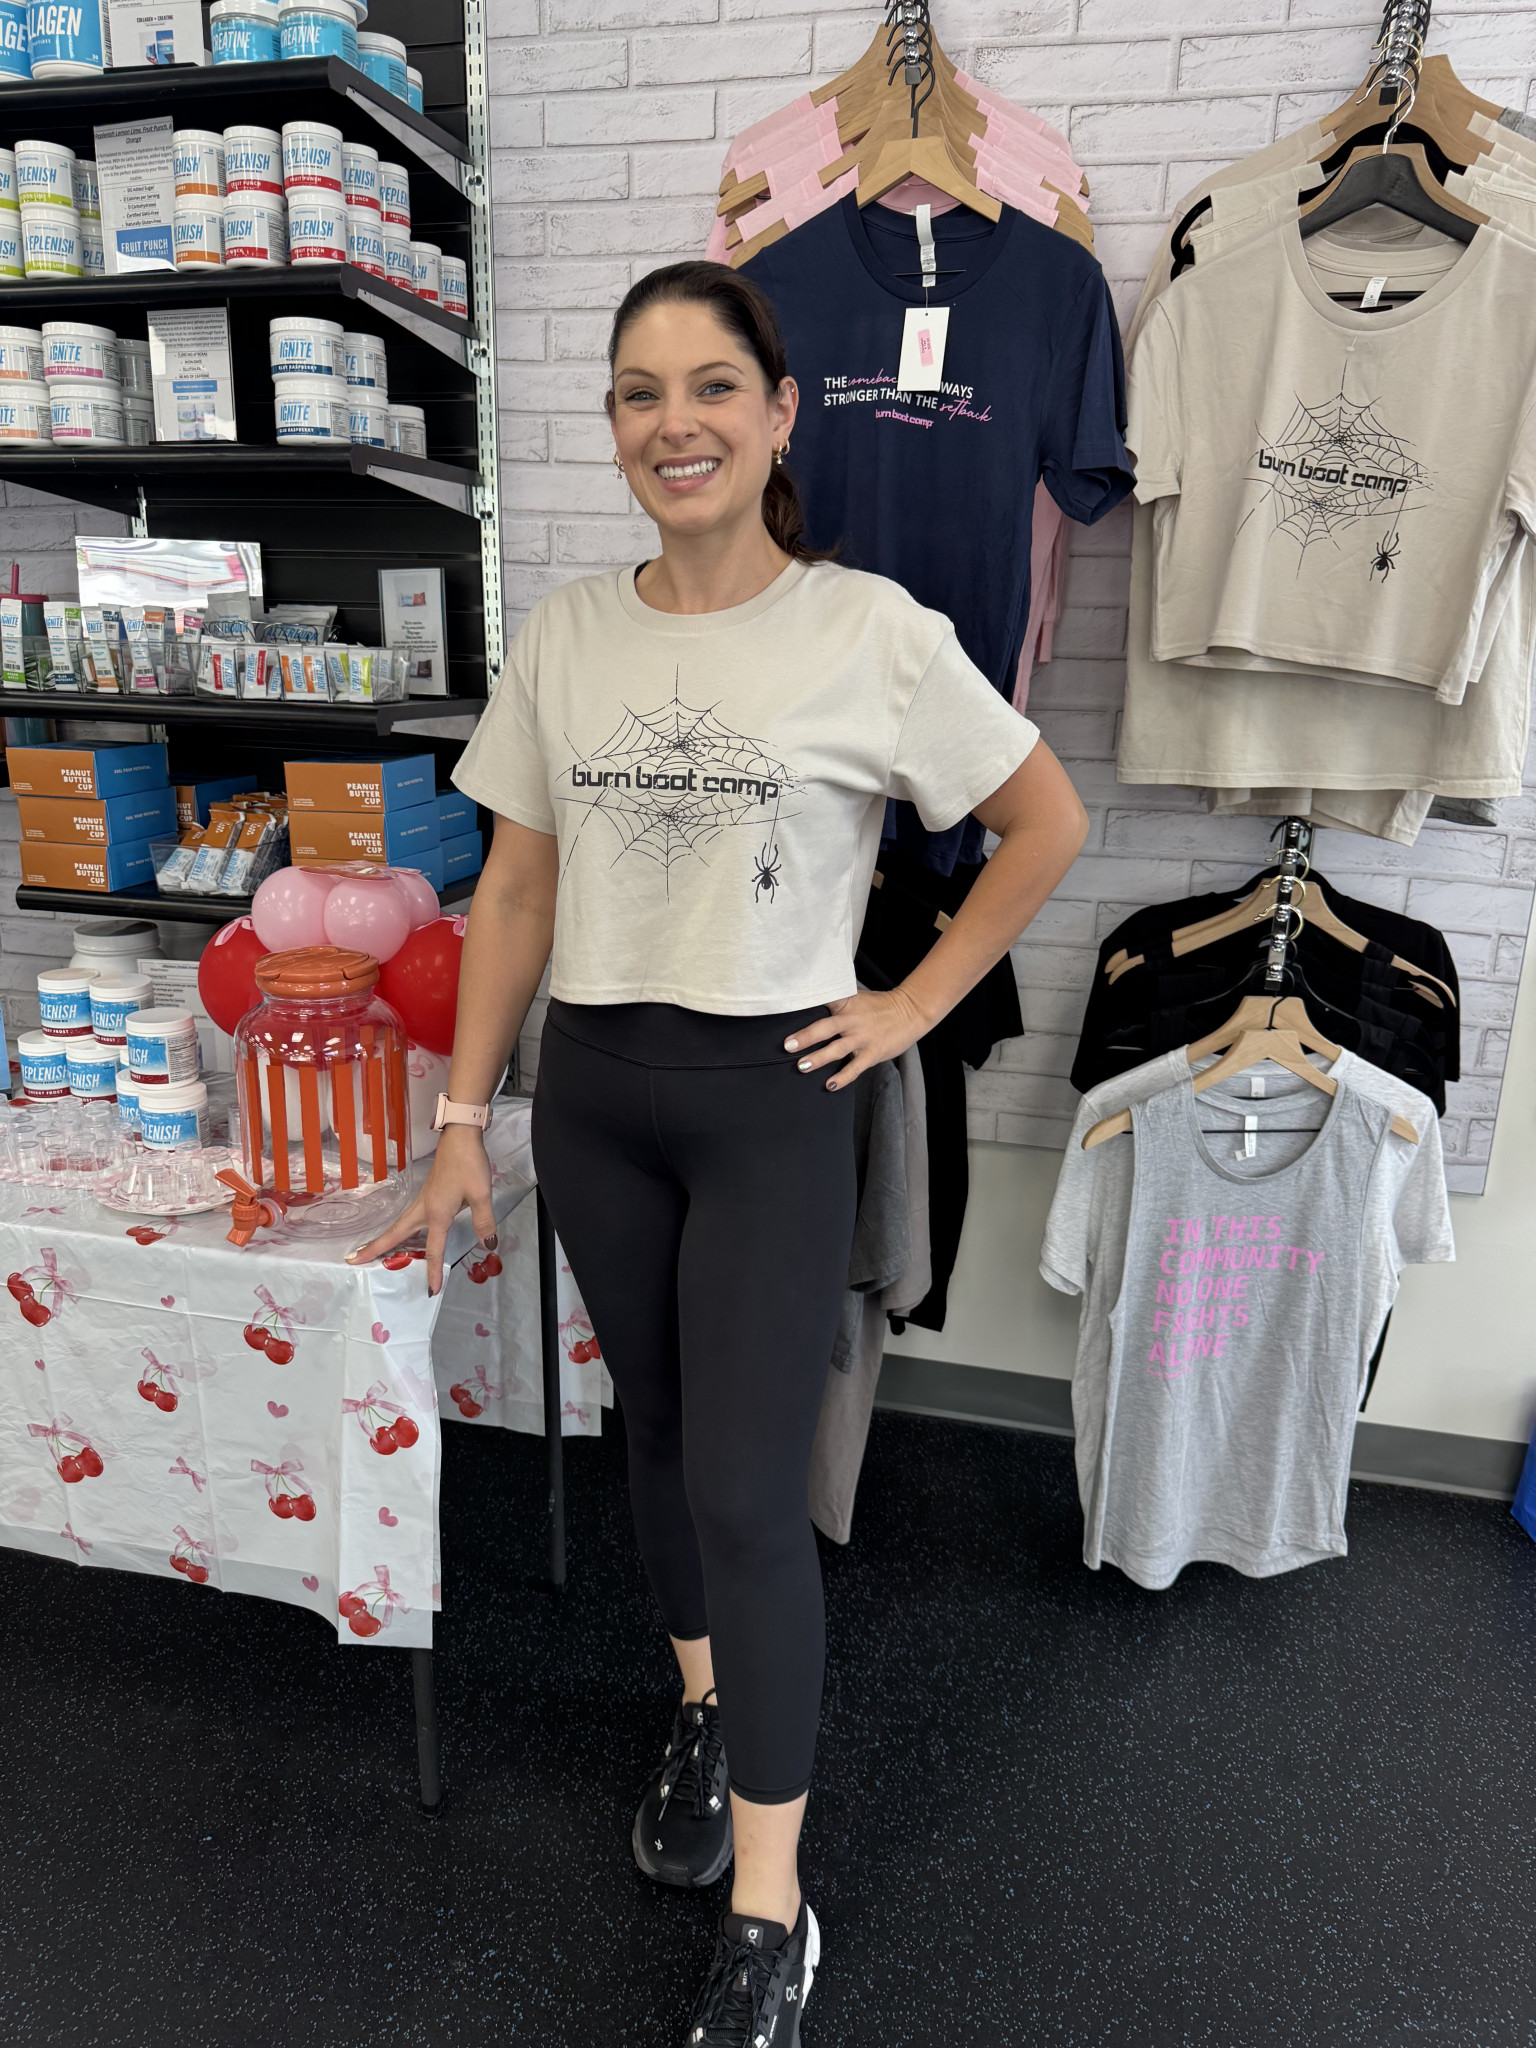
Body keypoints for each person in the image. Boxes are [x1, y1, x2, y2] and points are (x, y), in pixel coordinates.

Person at [352, 260, 1090, 2047]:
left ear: (776, 414)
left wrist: (912, 1006)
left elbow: (1043, 820)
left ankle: (773, 1905)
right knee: (662, 1439)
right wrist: (460, 1123)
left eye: (707, 388)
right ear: (614, 425)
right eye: (637, 392)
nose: (671, 423)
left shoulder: (869, 630)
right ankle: (701, 1704)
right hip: (600, 1092)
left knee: (752, 1497)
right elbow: (514, 892)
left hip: (772, 1098)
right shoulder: (568, 636)